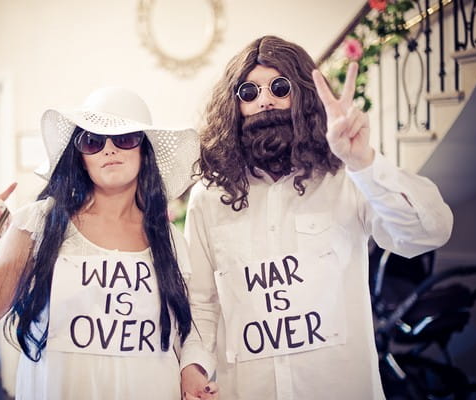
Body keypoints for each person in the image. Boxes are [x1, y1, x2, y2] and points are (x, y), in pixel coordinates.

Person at [179, 35, 453, 399]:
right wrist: (193, 367)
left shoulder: (347, 179)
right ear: (235, 105)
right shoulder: (209, 199)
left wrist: (364, 163)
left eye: (279, 87)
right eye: (249, 92)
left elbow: (428, 232)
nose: (265, 100)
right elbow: (201, 302)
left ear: (303, 96)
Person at [0, 87, 201, 399]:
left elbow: (189, 331)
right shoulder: (39, 222)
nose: (108, 150)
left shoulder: (170, 240)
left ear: (144, 150)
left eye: (125, 138)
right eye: (93, 141)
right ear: (80, 157)